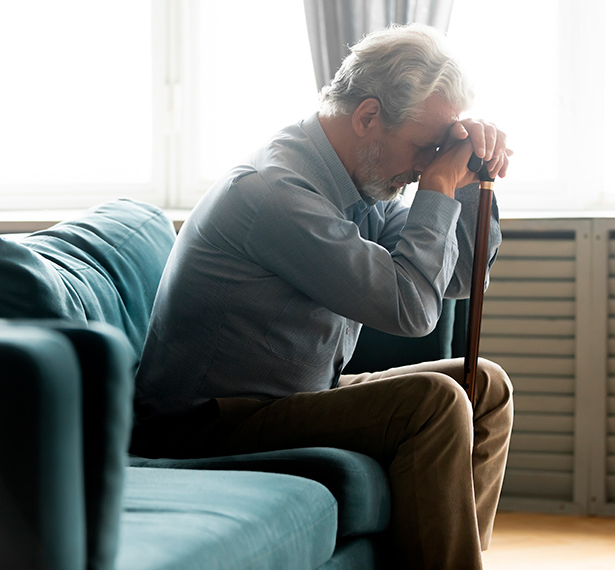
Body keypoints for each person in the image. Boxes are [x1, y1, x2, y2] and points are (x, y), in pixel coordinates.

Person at [132, 23, 514, 570]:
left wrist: (475, 183)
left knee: (484, 387)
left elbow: (454, 279)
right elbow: (411, 310)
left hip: (293, 396)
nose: (426, 165)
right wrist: (436, 188)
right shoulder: (275, 191)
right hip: (205, 425)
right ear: (368, 116)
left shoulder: (363, 180)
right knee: (434, 404)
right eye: (424, 147)